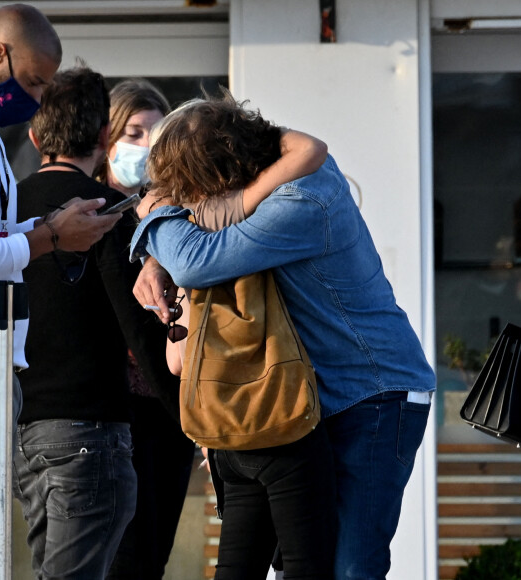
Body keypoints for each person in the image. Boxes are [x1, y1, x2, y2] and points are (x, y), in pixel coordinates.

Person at [131, 90, 437, 580]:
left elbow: (196, 258)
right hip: (315, 400)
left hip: (374, 397)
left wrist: (152, 215)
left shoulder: (300, 200)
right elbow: (202, 240)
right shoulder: (264, 192)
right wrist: (153, 255)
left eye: (186, 188)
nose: (185, 200)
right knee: (299, 561)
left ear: (214, 175)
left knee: (350, 566)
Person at [140, 95, 336, 580]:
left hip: (227, 439)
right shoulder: (265, 218)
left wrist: (155, 230)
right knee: (308, 568)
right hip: (285, 426)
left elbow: (177, 361)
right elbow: (311, 148)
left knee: (236, 569)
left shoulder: (188, 246)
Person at [13, 65, 178, 580]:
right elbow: (138, 324)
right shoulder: (106, 213)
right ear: (105, 136)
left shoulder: (9, 212)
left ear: (36, 136)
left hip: (25, 429)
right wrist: (190, 415)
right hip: (91, 429)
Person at [0, 4, 121, 427]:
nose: (39, 99)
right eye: (33, 82)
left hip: (0, 355)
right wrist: (51, 239)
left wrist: (45, 226)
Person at [100, 79, 196, 580]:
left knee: (152, 556)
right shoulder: (92, 217)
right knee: (127, 558)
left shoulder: (174, 220)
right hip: (120, 414)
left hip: (169, 410)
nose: (143, 147)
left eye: (155, 137)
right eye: (134, 132)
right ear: (107, 136)